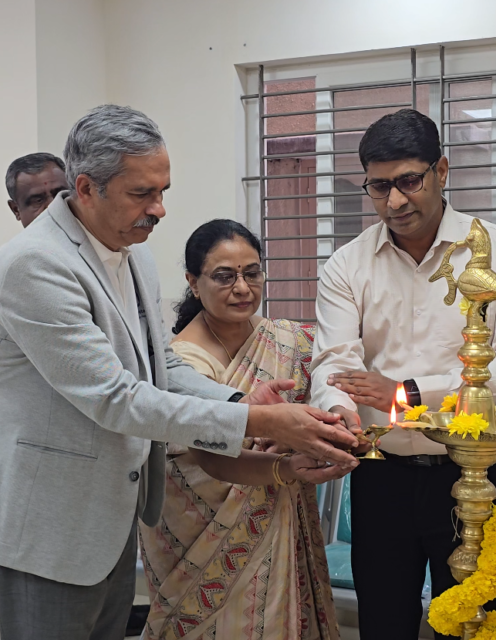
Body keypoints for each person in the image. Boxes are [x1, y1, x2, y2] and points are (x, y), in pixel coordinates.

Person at [0, 104, 361, 640]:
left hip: (110, 520)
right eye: (142, 193)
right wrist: (260, 424)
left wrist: (239, 403)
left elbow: (161, 364)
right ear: (86, 188)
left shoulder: (133, 255)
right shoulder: (35, 264)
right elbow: (116, 398)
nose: (159, 209)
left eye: (162, 191)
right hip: (48, 530)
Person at [309, 109, 496, 639]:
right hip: (381, 476)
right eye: (379, 186)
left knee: (470, 626)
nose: (394, 201)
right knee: (383, 622)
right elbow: (335, 362)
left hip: (474, 474)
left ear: (441, 170)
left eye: (409, 181)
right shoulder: (347, 264)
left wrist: (408, 394)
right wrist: (340, 414)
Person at [140, 219, 344, 640]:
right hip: (201, 531)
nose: (242, 288)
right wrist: (283, 463)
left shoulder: (288, 340)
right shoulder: (181, 363)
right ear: (193, 283)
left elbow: (335, 378)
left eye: (252, 273)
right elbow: (205, 457)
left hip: (281, 518)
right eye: (224, 276)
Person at [0, 152, 67, 317]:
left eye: (60, 195)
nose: (53, 207)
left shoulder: (105, 252)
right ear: (16, 210)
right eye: (37, 200)